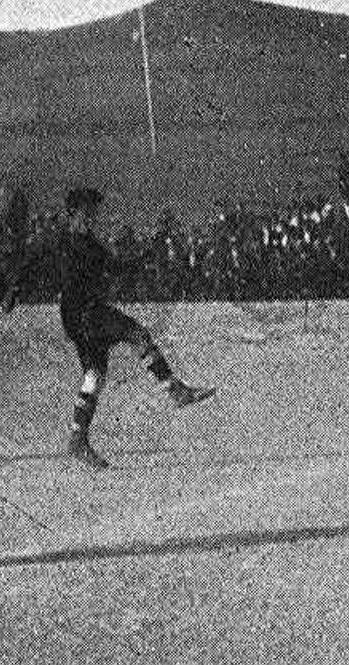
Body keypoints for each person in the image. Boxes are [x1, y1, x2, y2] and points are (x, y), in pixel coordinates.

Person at [19, 188, 215, 469]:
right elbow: (32, 260)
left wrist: (144, 258)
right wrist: (14, 289)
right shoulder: (61, 240)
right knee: (136, 334)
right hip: (82, 312)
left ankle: (77, 439)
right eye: (87, 213)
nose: (92, 219)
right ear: (73, 214)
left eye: (93, 214)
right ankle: (175, 390)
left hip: (82, 314)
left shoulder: (92, 245)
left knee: (95, 376)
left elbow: (116, 268)